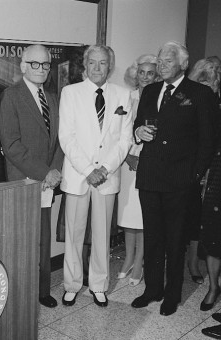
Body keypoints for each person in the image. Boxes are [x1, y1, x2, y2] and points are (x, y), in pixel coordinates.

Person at [132, 41, 216, 316]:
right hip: (150, 176)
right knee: (153, 237)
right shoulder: (151, 90)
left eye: (168, 60)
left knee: (175, 240)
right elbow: (137, 123)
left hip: (180, 179)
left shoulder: (200, 93)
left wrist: (194, 175)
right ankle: (152, 289)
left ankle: (172, 294)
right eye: (160, 59)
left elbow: (208, 140)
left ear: (183, 64)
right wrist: (138, 132)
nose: (162, 64)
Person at [59, 44, 133, 308]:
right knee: (74, 233)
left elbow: (124, 140)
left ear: (109, 66)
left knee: (102, 235)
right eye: (93, 63)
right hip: (79, 175)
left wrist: (105, 169)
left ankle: (99, 286)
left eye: (103, 63)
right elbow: (66, 137)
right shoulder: (71, 93)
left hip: (107, 177)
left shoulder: (123, 95)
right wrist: (89, 170)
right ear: (85, 65)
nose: (98, 68)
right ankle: (72, 284)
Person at [0, 44, 64, 308]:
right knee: (22, 242)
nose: (41, 69)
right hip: (23, 181)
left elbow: (60, 139)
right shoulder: (10, 97)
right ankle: (21, 296)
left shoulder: (53, 97)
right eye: (35, 64)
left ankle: (43, 290)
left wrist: (55, 170)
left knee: (43, 239)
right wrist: (45, 172)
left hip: (48, 180)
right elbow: (12, 145)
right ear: (23, 66)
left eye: (45, 64)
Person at [117, 54, 160, 286]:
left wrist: (145, 158)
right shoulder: (127, 97)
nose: (144, 77)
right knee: (127, 214)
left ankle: (140, 260)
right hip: (127, 162)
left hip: (149, 163)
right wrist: (126, 157)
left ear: (157, 75)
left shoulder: (160, 98)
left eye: (150, 73)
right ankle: (129, 258)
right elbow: (119, 132)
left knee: (144, 214)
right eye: (141, 72)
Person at [185, 58, 221, 285]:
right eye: (204, 81)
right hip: (191, 165)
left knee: (203, 218)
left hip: (213, 169)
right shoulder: (189, 100)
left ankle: (196, 263)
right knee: (191, 216)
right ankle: (190, 262)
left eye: (213, 81)